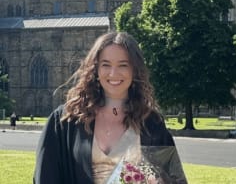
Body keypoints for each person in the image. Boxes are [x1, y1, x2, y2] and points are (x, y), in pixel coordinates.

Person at [33, 31, 188, 184]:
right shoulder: (63, 121)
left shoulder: (151, 123)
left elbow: (175, 180)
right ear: (96, 70)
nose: (114, 73)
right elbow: (45, 178)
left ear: (134, 70)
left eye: (123, 65)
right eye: (106, 64)